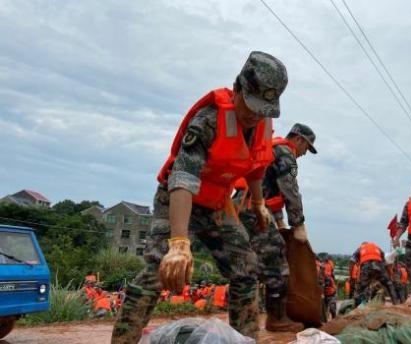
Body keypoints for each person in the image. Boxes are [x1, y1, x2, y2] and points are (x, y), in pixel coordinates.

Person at [111, 51, 288, 343]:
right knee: (158, 269)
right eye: (251, 105)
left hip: (218, 204)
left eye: (263, 108)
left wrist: (258, 203)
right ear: (238, 88)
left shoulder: (263, 124)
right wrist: (179, 243)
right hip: (180, 200)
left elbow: (257, 166)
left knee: (246, 268)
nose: (254, 114)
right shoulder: (208, 120)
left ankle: (245, 339)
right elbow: (183, 177)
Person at [234, 123, 317, 332]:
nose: (304, 154)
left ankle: (245, 319)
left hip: (241, 206)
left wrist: (280, 221)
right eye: (306, 148)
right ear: (298, 139)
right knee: (277, 262)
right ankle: (276, 318)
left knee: (247, 264)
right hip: (252, 210)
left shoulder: (273, 148)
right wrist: (298, 223)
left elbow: (270, 191)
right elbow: (289, 189)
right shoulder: (286, 154)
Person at [351, 242, 399, 307]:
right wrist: (387, 275)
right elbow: (384, 259)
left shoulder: (360, 248)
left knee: (360, 289)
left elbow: (352, 260)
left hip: (367, 267)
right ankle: (396, 304)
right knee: (389, 284)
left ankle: (356, 308)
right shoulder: (376, 246)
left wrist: (350, 275)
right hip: (379, 266)